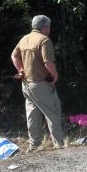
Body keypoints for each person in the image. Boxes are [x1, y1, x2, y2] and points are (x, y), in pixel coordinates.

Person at [11, 15, 64, 151]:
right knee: (53, 112)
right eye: (49, 27)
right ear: (45, 27)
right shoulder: (44, 40)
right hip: (41, 84)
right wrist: (55, 75)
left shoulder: (24, 39)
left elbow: (14, 55)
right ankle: (59, 145)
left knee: (32, 115)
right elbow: (48, 62)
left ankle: (33, 146)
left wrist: (21, 70)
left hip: (26, 84)